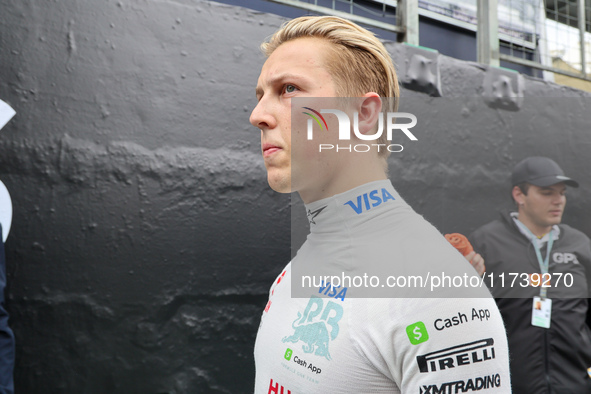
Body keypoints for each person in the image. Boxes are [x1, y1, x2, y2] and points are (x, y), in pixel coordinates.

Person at [250, 15, 511, 393]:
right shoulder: (301, 265)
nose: (258, 115)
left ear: (364, 115)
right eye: (260, 96)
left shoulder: (435, 292)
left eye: (289, 89)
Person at [469, 156, 591, 393]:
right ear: (519, 195)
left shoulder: (580, 244)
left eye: (562, 193)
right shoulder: (485, 243)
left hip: (574, 386)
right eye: (547, 193)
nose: (558, 201)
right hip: (513, 386)